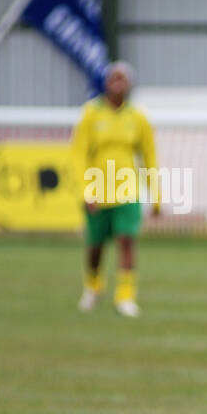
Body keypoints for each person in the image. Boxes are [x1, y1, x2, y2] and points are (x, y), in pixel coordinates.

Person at [71, 61, 158, 316]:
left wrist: (156, 196)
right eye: (114, 79)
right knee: (96, 245)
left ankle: (125, 296)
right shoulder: (91, 114)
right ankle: (93, 287)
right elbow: (78, 155)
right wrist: (86, 190)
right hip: (98, 190)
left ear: (129, 85)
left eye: (123, 80)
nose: (118, 84)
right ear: (106, 83)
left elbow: (149, 156)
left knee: (126, 240)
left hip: (128, 191)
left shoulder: (137, 118)